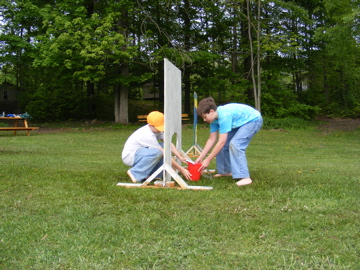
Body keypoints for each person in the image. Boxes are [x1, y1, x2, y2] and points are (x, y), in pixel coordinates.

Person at [195, 97, 263, 186]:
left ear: (211, 111)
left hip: (253, 121)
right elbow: (212, 139)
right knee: (224, 144)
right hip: (239, 123)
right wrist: (201, 156)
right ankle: (225, 171)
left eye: (205, 117)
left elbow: (221, 141)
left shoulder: (224, 115)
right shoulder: (214, 120)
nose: (204, 120)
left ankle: (245, 177)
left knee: (235, 144)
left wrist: (208, 159)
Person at [122, 111, 192, 183]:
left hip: (141, 153)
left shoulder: (156, 131)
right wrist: (181, 169)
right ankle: (135, 173)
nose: (160, 129)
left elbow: (168, 144)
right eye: (158, 127)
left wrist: (179, 157)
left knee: (163, 147)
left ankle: (154, 174)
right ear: (150, 125)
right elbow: (165, 154)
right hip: (130, 156)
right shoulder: (147, 135)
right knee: (158, 152)